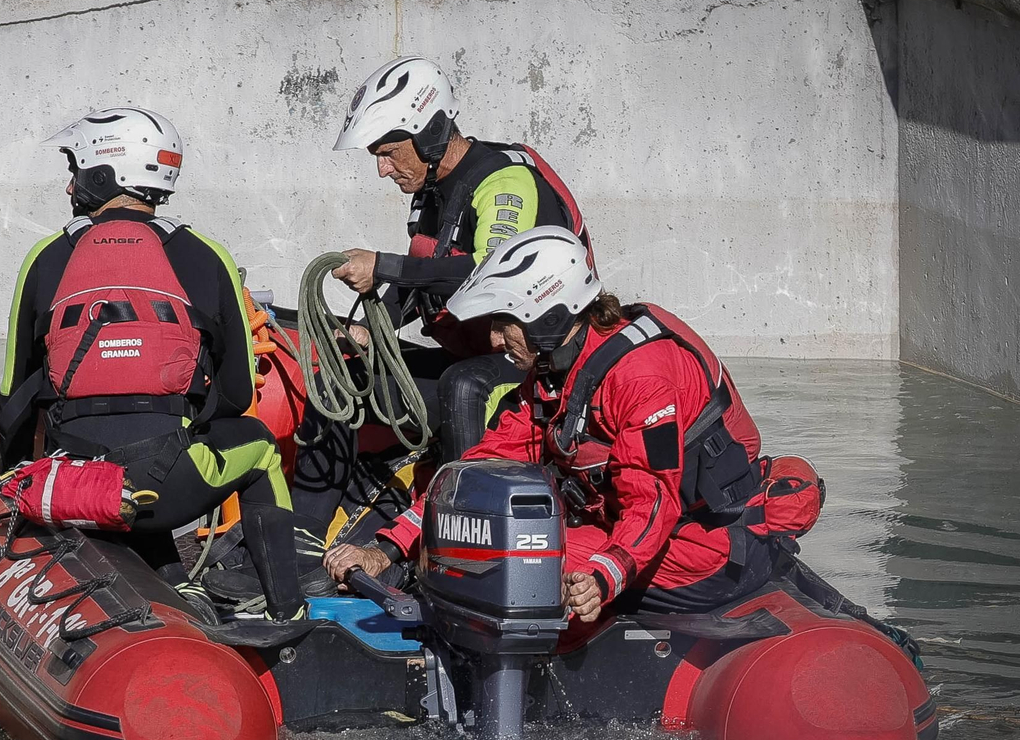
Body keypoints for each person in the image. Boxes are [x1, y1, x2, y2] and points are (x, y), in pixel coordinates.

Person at [266, 56, 595, 597]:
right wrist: (377, 328)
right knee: (340, 380)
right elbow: (426, 271)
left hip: (529, 364)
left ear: (432, 131)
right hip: (468, 354)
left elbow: (492, 273)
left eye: (388, 153)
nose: (381, 168)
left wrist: (386, 265)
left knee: (464, 388)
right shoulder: (429, 194)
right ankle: (300, 546)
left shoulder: (505, 180)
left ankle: (454, 564)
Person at [325, 226, 772, 623]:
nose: (495, 339)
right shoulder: (552, 377)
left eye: (505, 322)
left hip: (705, 547)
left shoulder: (642, 375)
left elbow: (652, 502)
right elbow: (479, 467)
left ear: (548, 317)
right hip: (628, 531)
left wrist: (601, 578)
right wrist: (385, 550)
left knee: (517, 559)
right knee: (473, 536)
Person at [0, 106, 303, 622]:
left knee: (122, 444)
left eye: (76, 170)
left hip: (76, 488)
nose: (71, 186)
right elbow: (237, 393)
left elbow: (15, 392)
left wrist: (12, 478)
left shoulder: (45, 257)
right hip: (166, 489)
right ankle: (287, 616)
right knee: (256, 446)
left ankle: (175, 582)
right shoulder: (207, 256)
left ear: (102, 173)